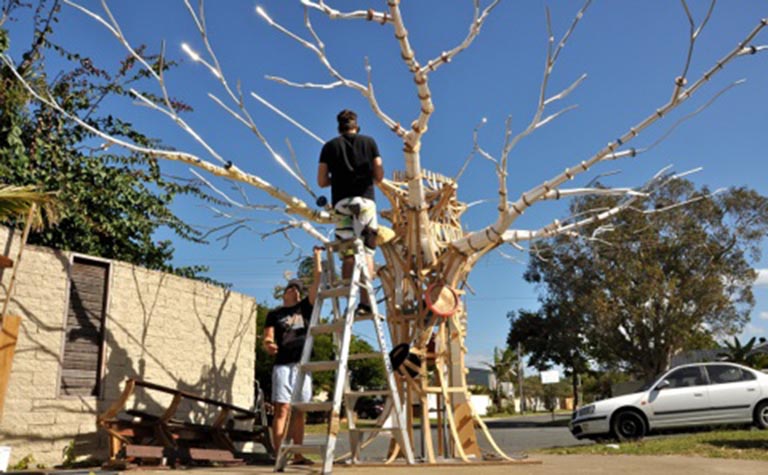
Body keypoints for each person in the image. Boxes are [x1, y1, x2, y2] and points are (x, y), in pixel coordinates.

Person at [317, 109, 384, 313]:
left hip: (342, 203)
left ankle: (350, 302)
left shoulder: (329, 147)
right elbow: (379, 174)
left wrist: (335, 179)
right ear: (356, 125)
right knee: (368, 251)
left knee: (347, 251)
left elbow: (321, 181)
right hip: (365, 201)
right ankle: (366, 303)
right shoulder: (369, 142)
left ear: (339, 127)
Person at [263, 246, 322, 464]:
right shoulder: (275, 314)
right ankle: (279, 454)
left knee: (299, 411)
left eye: (298, 289)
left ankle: (297, 454)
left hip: (302, 365)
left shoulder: (305, 309)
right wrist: (269, 344)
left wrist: (317, 257)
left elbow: (317, 281)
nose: (295, 291)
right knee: (282, 409)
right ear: (285, 292)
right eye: (291, 288)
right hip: (282, 365)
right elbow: (267, 336)